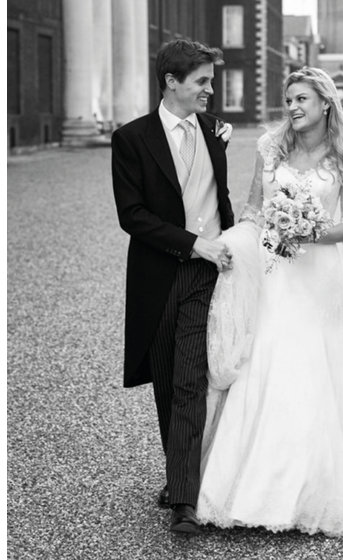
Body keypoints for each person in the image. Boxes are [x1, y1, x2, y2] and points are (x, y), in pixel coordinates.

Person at [196, 67, 343, 535]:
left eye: (302, 99)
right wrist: (241, 241)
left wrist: (311, 230)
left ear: (325, 104)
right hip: (275, 274)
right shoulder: (269, 148)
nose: (293, 108)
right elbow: (255, 209)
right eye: (289, 100)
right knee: (268, 361)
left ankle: (312, 490)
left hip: (318, 278)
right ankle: (252, 488)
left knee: (318, 368)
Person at [111, 39, 234, 534]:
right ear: (172, 82)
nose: (211, 89)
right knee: (166, 379)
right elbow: (132, 216)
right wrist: (192, 243)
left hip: (206, 275)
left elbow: (218, 197)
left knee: (189, 379)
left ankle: (184, 498)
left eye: (211, 80)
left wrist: (228, 247)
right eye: (202, 81)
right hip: (158, 275)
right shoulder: (132, 138)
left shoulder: (214, 131)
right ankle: (178, 474)